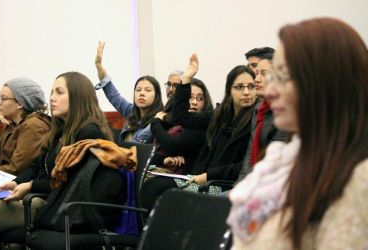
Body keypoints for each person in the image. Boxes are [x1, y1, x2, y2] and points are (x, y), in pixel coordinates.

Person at [227, 17, 368, 250]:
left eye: (284, 76)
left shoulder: (356, 180)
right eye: (272, 77)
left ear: (328, 83)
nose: (270, 91)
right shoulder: (285, 161)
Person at [0, 72, 114, 243]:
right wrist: (16, 183)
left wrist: (29, 185)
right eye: (52, 92)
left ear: (78, 97)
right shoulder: (60, 130)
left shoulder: (88, 133)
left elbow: (70, 184)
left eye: (59, 92)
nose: (52, 98)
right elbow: (36, 165)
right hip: (39, 195)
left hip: (51, 203)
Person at [141, 56, 257, 210]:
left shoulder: (257, 120)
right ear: (229, 90)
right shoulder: (218, 115)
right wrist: (186, 79)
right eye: (239, 87)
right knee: (152, 186)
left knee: (172, 195)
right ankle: (151, 232)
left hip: (222, 184)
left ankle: (173, 233)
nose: (246, 92)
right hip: (201, 178)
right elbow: (181, 117)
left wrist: (208, 175)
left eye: (251, 86)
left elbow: (245, 165)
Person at [94, 41, 164, 144]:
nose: (141, 93)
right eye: (138, 90)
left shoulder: (161, 118)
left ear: (156, 96)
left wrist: (155, 123)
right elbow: (113, 95)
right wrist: (99, 66)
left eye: (148, 90)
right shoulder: (132, 112)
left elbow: (136, 144)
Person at [0, 78, 50, 175]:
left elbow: (16, 170)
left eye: (3, 98)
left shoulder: (34, 126)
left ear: (20, 103)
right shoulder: (10, 124)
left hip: (13, 185)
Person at [238, 48, 288, 181]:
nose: (257, 79)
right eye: (257, 73)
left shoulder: (285, 113)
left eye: (264, 74)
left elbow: (273, 164)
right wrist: (238, 188)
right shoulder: (259, 109)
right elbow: (248, 158)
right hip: (251, 184)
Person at [150, 78, 213, 175]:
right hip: (159, 170)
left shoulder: (201, 127)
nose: (194, 102)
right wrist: (164, 159)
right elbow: (149, 154)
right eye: (190, 97)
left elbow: (171, 146)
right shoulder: (169, 121)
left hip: (186, 180)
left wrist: (155, 123)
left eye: (200, 98)